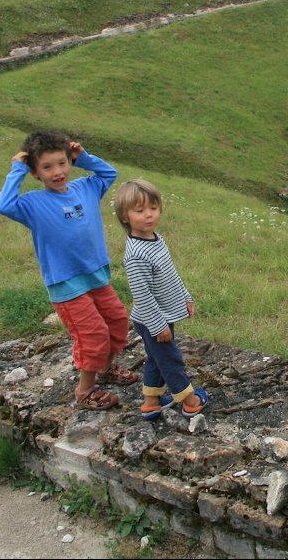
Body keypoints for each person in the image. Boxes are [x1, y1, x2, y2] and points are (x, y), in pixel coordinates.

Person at [0, 130, 137, 411]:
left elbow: (109, 173)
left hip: (96, 275)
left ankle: (105, 368)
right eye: (46, 167)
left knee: (117, 321)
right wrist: (17, 168)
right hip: (66, 284)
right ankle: (85, 391)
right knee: (92, 335)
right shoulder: (32, 204)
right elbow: (3, 205)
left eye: (62, 162)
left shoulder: (86, 188)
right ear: (35, 172)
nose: (57, 171)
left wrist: (83, 157)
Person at [114, 178, 208, 420]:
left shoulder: (156, 238)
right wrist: (158, 325)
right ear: (125, 216)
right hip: (153, 320)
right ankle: (190, 401)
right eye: (140, 210)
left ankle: (151, 402)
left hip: (165, 314)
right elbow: (142, 295)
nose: (148, 215)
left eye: (153, 208)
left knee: (156, 359)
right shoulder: (136, 255)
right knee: (170, 361)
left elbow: (170, 274)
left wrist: (185, 296)